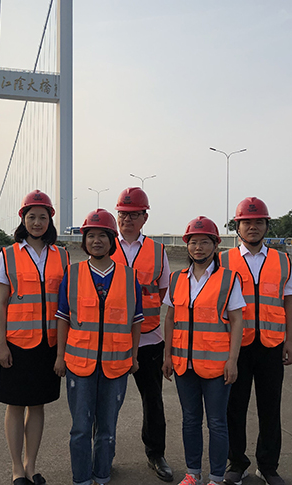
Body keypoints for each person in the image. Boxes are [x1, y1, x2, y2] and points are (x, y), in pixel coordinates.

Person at [54, 208, 143, 485]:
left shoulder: (129, 277)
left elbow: (136, 321)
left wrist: (134, 357)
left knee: (107, 427)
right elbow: (63, 318)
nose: (96, 241)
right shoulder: (73, 273)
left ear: (112, 240)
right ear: (84, 241)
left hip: (116, 365)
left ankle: (102, 474)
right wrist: (60, 356)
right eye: (91, 236)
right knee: (81, 427)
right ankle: (81, 478)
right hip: (79, 364)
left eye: (102, 235)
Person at [220, 197, 292, 485]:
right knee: (234, 407)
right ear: (237, 227)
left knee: (270, 407)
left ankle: (267, 466)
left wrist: (290, 340)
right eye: (247, 223)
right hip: (235, 347)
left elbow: (289, 301)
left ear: (266, 225)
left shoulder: (281, 260)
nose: (252, 227)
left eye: (258, 222)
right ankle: (236, 463)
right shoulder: (222, 260)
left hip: (271, 345)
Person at [0, 190, 70, 485]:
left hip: (49, 343)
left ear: (50, 220)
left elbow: (65, 304)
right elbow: (0, 303)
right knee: (15, 405)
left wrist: (62, 351)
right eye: (31, 217)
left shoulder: (61, 255)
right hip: (17, 344)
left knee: (37, 405)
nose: (37, 222)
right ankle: (16, 469)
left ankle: (31, 466)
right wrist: (1, 345)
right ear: (23, 219)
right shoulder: (7, 255)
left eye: (43, 217)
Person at [162, 216, 245, 485]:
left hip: (217, 366)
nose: (198, 247)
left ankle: (216, 478)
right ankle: (193, 473)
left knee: (217, 422)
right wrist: (167, 356)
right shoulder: (177, 279)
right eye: (193, 242)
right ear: (187, 246)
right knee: (190, 420)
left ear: (215, 245)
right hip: (183, 364)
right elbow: (170, 318)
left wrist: (233, 360)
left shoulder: (228, 279)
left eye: (205, 242)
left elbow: (237, 321)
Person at [110, 187, 172, 481]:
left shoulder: (158, 251)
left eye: (134, 215)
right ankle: (103, 453)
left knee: (153, 400)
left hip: (149, 338)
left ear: (145, 218)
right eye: (123, 214)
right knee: (107, 401)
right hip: (113, 338)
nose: (127, 220)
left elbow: (163, 291)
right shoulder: (106, 244)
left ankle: (156, 453)